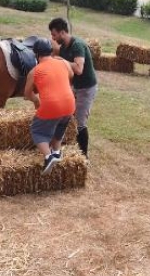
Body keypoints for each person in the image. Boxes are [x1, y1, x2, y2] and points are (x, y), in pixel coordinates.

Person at [24, 38, 75, 175]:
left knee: (37, 131)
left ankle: (48, 156)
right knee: (60, 126)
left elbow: (27, 93)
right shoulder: (63, 63)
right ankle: (57, 153)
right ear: (50, 52)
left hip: (51, 106)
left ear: (36, 54)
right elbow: (71, 74)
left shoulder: (34, 71)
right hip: (70, 104)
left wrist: (36, 100)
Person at [48, 17, 98, 158]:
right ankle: (64, 146)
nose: (53, 37)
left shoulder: (77, 45)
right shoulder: (63, 48)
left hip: (87, 89)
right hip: (75, 87)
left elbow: (78, 69)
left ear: (62, 32)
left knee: (80, 122)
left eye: (54, 34)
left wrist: (60, 61)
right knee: (65, 115)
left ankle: (83, 157)